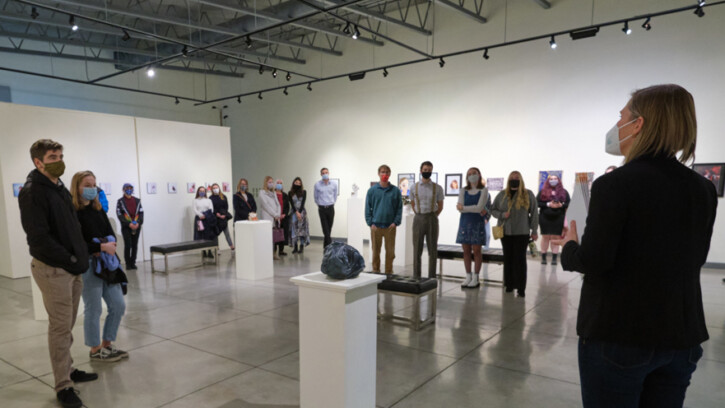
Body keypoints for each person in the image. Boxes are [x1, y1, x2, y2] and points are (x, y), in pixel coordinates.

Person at [556, 84, 717, 408]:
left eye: (622, 117)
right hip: (681, 335)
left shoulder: (615, 184)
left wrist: (569, 247)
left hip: (620, 334)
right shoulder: (702, 189)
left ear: (639, 124)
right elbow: (695, 257)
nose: (617, 126)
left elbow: (595, 259)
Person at [18, 139, 97, 408]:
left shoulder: (58, 186)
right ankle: (63, 386)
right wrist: (70, 259)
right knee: (60, 328)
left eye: (61, 155)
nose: (59, 160)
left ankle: (68, 369)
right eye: (53, 156)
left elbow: (71, 225)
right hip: (54, 270)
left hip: (71, 268)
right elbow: (38, 238)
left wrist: (80, 257)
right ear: (38, 162)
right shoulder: (32, 192)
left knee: (67, 325)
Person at [71, 171, 128, 364]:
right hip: (88, 265)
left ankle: (107, 344)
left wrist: (105, 245)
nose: (91, 188)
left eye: (94, 185)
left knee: (118, 305)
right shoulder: (72, 213)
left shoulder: (98, 209)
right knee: (93, 308)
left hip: (107, 263)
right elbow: (76, 244)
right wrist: (99, 246)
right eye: (87, 184)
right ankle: (95, 349)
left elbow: (110, 233)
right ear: (77, 187)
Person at [491, 171, 538, 297]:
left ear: (521, 179)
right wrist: (502, 215)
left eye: (517, 177)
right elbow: (493, 210)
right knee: (508, 258)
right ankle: (509, 285)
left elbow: (534, 213)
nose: (514, 179)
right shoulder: (502, 194)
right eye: (512, 177)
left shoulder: (528, 194)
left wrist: (534, 231)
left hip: (522, 232)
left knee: (520, 260)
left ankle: (521, 287)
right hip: (506, 232)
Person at [456, 167, 490, 288]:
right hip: (465, 222)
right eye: (469, 174)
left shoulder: (484, 190)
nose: (472, 175)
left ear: (479, 175)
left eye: (474, 173)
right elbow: (460, 208)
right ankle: (468, 276)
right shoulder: (463, 190)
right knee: (466, 251)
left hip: (477, 223)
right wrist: (468, 208)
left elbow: (479, 208)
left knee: (476, 251)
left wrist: (464, 208)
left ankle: (476, 277)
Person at [365, 165, 403, 274]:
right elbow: (368, 208)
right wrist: (370, 223)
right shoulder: (372, 191)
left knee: (390, 253)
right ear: (378, 174)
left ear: (390, 174)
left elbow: (399, 208)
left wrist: (396, 222)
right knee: (375, 252)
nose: (384, 174)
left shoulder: (395, 191)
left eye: (387, 172)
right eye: (382, 172)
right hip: (376, 227)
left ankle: (388, 272)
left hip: (390, 227)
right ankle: (375, 271)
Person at [409, 161, 444, 279]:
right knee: (417, 249)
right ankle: (416, 276)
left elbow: (440, 206)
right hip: (418, 218)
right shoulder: (414, 187)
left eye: (429, 170)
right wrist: (419, 214)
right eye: (425, 170)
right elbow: (413, 203)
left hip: (432, 218)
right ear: (421, 171)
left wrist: (433, 216)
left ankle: (432, 277)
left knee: (432, 248)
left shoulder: (437, 188)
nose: (427, 172)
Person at [537, 174, 570, 265]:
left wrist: (561, 205)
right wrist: (548, 204)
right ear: (548, 181)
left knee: (556, 238)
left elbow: (569, 204)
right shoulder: (542, 191)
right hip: (545, 218)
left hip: (558, 218)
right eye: (551, 179)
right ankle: (543, 257)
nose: (553, 180)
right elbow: (537, 203)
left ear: (559, 180)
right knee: (545, 237)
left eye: (555, 178)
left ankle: (554, 258)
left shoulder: (564, 192)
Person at [116, 183, 143, 270]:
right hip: (126, 227)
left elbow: (141, 213)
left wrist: (138, 223)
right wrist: (129, 224)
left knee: (135, 245)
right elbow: (119, 215)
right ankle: (128, 264)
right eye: (127, 188)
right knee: (128, 245)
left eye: (130, 188)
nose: (129, 190)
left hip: (137, 226)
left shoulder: (137, 201)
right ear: (123, 190)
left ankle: (133, 262)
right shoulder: (120, 201)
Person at [258, 176, 282, 260]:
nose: (271, 183)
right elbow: (266, 206)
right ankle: (267, 254)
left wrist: (278, 214)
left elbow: (278, 204)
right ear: (266, 183)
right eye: (269, 182)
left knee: (274, 237)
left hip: (275, 218)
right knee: (267, 237)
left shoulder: (273, 193)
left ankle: (274, 253)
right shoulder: (262, 193)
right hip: (268, 217)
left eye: (272, 182)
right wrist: (275, 214)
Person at [314, 167, 337, 248]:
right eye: (323, 173)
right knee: (325, 229)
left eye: (326, 172)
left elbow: (335, 196)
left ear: (329, 173)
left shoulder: (334, 184)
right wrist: (321, 204)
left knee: (329, 229)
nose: (325, 174)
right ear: (321, 174)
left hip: (331, 208)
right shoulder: (317, 184)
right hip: (322, 209)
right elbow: (316, 198)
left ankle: (325, 246)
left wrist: (331, 203)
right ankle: (330, 246)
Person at [210, 183, 234, 250]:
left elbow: (226, 206)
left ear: (219, 188)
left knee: (227, 233)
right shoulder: (211, 198)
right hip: (216, 218)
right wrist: (216, 213)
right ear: (212, 189)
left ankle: (231, 246)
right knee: (216, 233)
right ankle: (217, 249)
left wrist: (224, 214)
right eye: (214, 188)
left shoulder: (223, 196)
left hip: (223, 218)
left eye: (216, 187)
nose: (215, 189)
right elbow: (211, 208)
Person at [193, 186, 215, 258]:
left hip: (207, 219)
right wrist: (200, 215)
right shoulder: (195, 200)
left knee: (208, 235)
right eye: (200, 191)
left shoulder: (208, 200)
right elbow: (195, 210)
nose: (202, 192)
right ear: (198, 192)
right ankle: (203, 251)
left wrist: (205, 215)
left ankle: (209, 251)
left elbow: (211, 209)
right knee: (201, 235)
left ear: (205, 192)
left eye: (203, 191)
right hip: (199, 220)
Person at [289, 177, 310, 254]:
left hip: (302, 212)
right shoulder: (290, 193)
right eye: (296, 182)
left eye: (299, 183)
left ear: (301, 184)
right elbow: (291, 204)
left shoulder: (304, 192)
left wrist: (300, 212)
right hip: (294, 212)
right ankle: (295, 247)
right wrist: (296, 212)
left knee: (302, 230)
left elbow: (303, 203)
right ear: (293, 183)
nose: (297, 184)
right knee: (294, 229)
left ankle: (301, 246)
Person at [275, 179, 291, 257]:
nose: (279, 184)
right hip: (275, 217)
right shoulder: (273, 194)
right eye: (278, 183)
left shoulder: (285, 195)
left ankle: (281, 250)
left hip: (283, 217)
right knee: (275, 234)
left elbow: (287, 206)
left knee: (282, 234)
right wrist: (276, 215)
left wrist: (284, 214)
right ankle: (274, 251)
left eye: (280, 183)